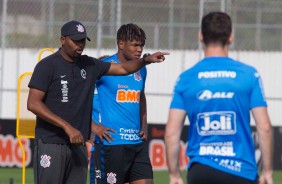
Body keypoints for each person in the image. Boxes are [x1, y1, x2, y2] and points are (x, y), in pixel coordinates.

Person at [27, 20, 168, 184]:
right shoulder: (47, 65)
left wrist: (146, 60)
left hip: (78, 143)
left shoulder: (90, 64)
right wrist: (70, 126)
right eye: (75, 40)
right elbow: (33, 103)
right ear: (63, 40)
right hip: (52, 142)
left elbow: (123, 69)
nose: (80, 44)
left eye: (82, 40)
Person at [165, 12, 273, 184]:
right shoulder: (249, 75)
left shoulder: (186, 78)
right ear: (230, 37)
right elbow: (265, 127)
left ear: (201, 37)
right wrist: (267, 171)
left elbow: (171, 133)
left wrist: (174, 174)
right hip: (241, 171)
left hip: (201, 171)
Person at [90, 23, 153, 184]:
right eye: (135, 45)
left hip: (137, 143)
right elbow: (79, 99)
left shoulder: (142, 68)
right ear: (121, 44)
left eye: (141, 45)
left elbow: (141, 97)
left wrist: (144, 125)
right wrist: (92, 126)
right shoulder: (103, 66)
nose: (139, 49)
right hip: (112, 144)